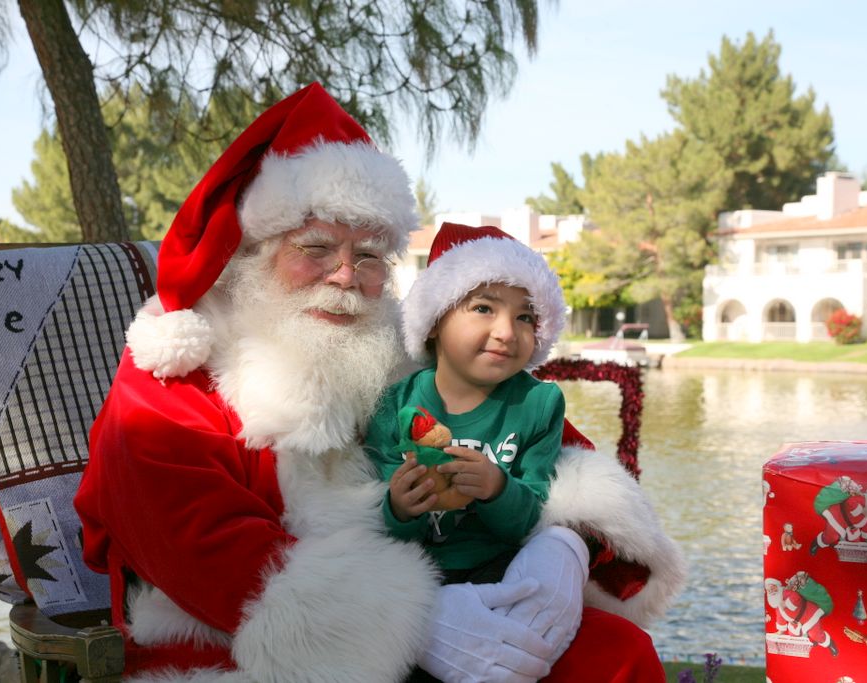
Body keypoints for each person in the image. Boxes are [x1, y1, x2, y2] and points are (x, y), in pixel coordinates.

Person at [74, 82, 683, 683]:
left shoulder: (399, 348)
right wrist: (419, 623)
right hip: (242, 636)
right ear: (253, 251)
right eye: (316, 247)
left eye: (368, 256)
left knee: (613, 654)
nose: (344, 275)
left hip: (448, 589)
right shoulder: (177, 363)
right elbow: (196, 540)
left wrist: (564, 549)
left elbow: (544, 447)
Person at [365, 223, 587, 669]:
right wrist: (401, 508)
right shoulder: (395, 404)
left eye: (525, 316)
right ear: (433, 323)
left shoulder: (538, 403)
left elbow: (531, 515)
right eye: (484, 308)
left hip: (504, 568)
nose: (507, 331)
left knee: (560, 550)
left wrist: (497, 488)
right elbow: (377, 525)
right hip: (420, 577)